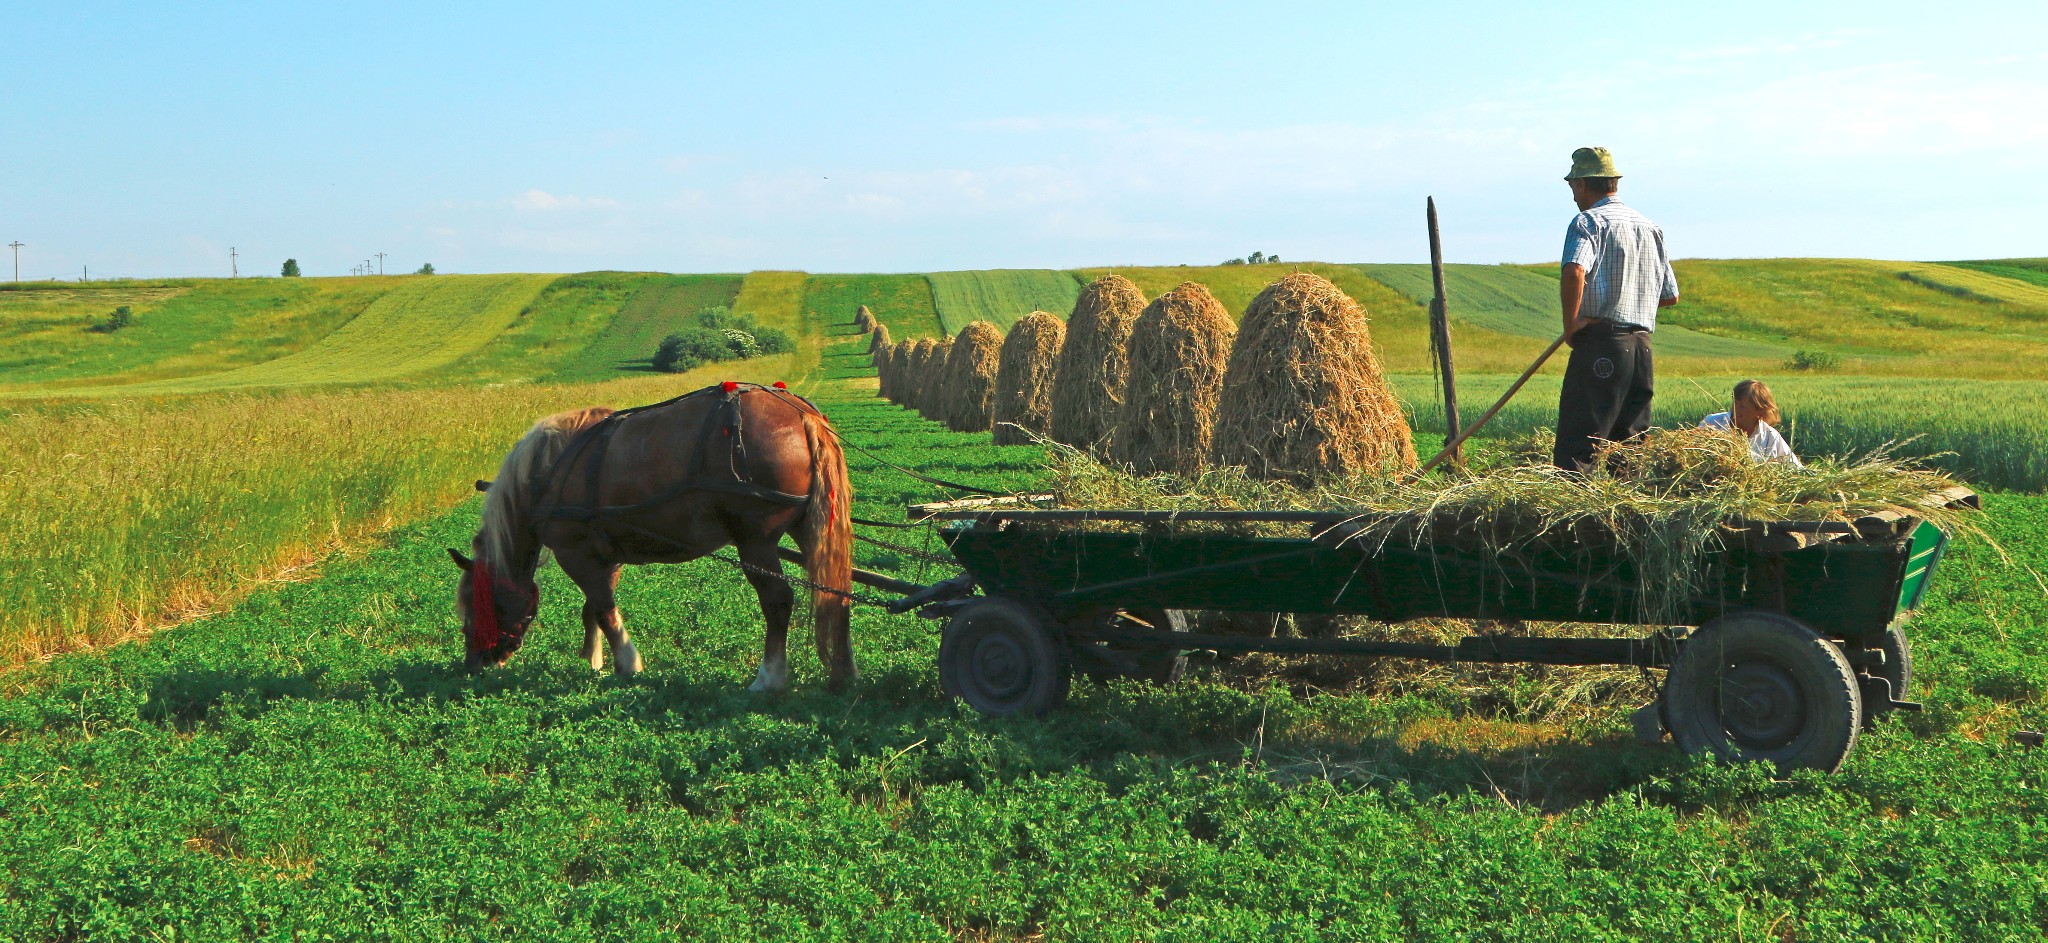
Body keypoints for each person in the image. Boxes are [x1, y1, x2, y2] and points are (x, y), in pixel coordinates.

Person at [1552, 146, 1681, 471]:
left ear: (1582, 184)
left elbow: (1575, 271)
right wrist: (1630, 300)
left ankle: (1574, 518)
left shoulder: (1589, 222)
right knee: (1631, 449)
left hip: (1602, 346)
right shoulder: (1650, 227)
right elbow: (1669, 296)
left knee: (1582, 448)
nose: (1573, 196)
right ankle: (1627, 517)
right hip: (1641, 349)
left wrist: (1571, 324)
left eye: (1572, 188)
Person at [1701, 379, 1803, 466]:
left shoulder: (1770, 437)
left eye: (1743, 406)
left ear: (1760, 410)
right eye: (1735, 403)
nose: (1735, 409)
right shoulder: (1711, 423)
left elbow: (1794, 467)